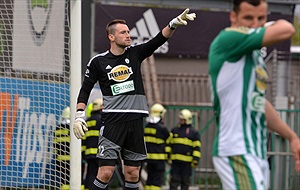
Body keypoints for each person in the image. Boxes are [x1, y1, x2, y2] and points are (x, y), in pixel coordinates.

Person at [73, 8, 196, 190]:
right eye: (123, 32)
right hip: (113, 122)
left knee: (132, 173)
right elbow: (85, 90)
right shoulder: (98, 62)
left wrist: (173, 24)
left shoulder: (134, 54)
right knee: (105, 173)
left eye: (129, 31)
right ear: (111, 37)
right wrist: (79, 115)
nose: (128, 35)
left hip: (136, 122)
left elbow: (158, 40)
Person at [208, 0, 300, 189]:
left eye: (261, 18)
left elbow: (259, 103)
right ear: (233, 17)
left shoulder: (254, 55)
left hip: (256, 152)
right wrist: (267, 26)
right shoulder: (229, 38)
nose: (255, 23)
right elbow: (287, 29)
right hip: (237, 150)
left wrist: (292, 137)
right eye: (248, 18)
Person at [167, 109, 201, 190]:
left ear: (187, 119)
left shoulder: (194, 133)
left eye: (182, 119)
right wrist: (168, 156)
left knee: (185, 183)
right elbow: (169, 144)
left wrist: (195, 160)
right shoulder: (175, 130)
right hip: (175, 163)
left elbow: (196, 148)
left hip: (187, 164)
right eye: (180, 119)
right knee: (174, 182)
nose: (180, 120)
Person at [143, 103, 172, 190]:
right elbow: (169, 139)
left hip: (149, 159)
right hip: (159, 159)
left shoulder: (147, 127)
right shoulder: (161, 128)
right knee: (157, 181)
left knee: (149, 180)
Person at [82, 98, 104, 189]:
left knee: (90, 175)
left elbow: (83, 139)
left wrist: (83, 153)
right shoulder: (102, 120)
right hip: (100, 153)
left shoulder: (87, 121)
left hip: (89, 154)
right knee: (101, 176)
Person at [54, 106, 71, 190]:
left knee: (63, 180)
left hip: (60, 158)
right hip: (71, 159)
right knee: (74, 179)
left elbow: (55, 144)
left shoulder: (57, 128)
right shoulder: (71, 127)